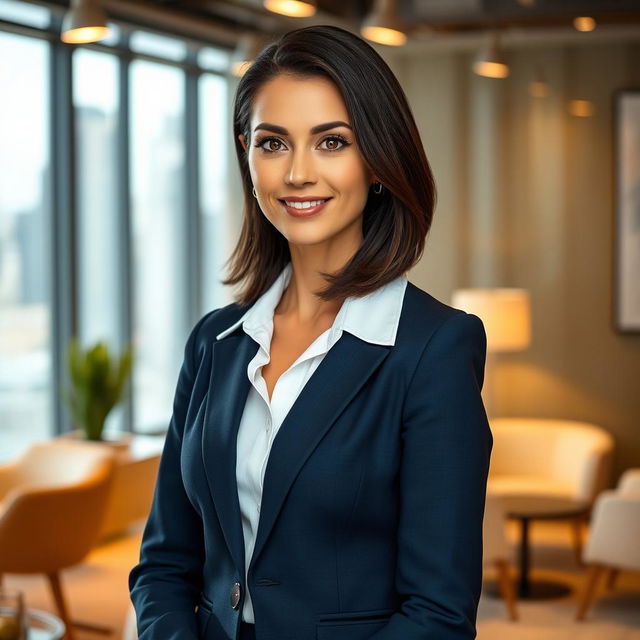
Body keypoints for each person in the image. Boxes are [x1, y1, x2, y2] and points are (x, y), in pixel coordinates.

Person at [129, 24, 493, 640]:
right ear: (246, 156)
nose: (298, 172)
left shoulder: (434, 348)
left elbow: (436, 613)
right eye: (273, 144)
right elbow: (164, 562)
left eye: (331, 142)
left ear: (378, 159)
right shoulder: (214, 343)